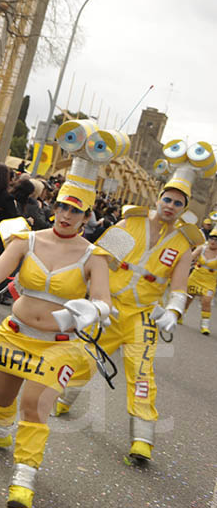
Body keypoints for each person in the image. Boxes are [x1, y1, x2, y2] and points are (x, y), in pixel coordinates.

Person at [0, 120, 123, 507]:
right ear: (54, 205)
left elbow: (106, 302)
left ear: (86, 213)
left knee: (34, 407)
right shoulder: (25, 238)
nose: (65, 215)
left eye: (75, 209)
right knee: (2, 397)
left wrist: (91, 309)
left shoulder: (96, 257)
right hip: (15, 332)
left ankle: (24, 476)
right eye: (61, 206)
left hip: (57, 345)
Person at [55, 139, 211, 465]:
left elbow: (180, 285)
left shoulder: (184, 242)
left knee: (142, 375)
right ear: (158, 198)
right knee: (83, 358)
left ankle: (142, 439)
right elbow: (99, 259)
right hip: (109, 309)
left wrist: (173, 309)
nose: (170, 205)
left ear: (185, 209)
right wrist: (88, 297)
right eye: (166, 199)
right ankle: (64, 399)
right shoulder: (131, 223)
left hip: (141, 317)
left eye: (177, 203)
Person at [186, 229, 217, 335]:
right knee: (187, 298)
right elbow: (190, 257)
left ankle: (205, 325)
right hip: (195, 277)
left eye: (216, 240)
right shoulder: (202, 248)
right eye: (211, 239)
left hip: (209, 281)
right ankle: (180, 316)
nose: (213, 242)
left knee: (206, 301)